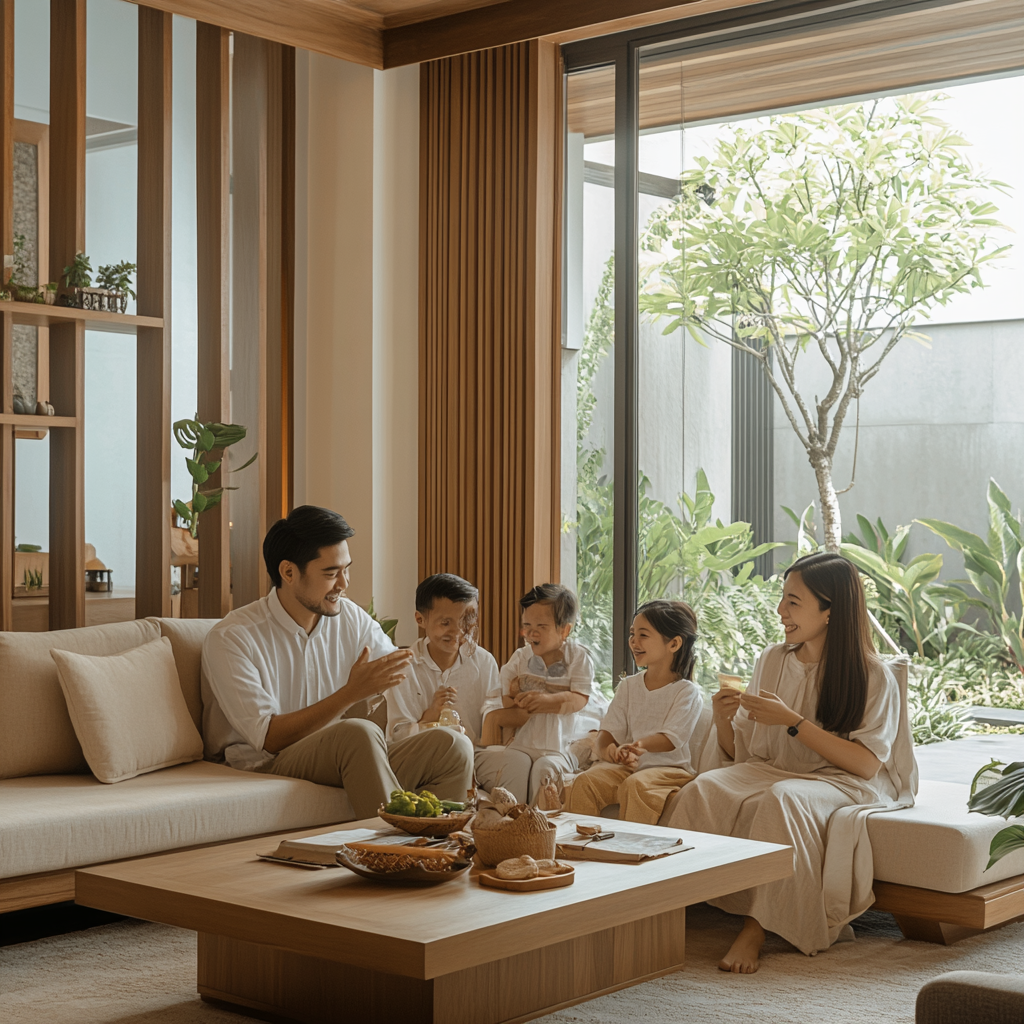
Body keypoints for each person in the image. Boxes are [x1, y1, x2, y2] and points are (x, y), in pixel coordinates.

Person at [665, 552, 916, 973]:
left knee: (784, 798)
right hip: (771, 767)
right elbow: (742, 750)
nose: (781, 610)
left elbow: (867, 765)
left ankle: (757, 926)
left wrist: (794, 722)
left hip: (842, 781)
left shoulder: (874, 674)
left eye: (793, 601)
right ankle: (666, 903)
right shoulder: (773, 659)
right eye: (783, 598)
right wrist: (725, 718)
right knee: (704, 788)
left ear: (830, 609)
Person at [201, 505, 475, 820]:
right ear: (289, 572)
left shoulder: (350, 618)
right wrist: (352, 692)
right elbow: (268, 738)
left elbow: (397, 669)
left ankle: (432, 850)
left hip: (339, 756)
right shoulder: (232, 637)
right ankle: (389, 854)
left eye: (346, 569)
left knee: (452, 745)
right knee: (357, 733)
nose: (344, 584)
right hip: (265, 761)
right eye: (331, 573)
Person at [565, 600, 703, 824]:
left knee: (635, 785)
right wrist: (611, 752)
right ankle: (580, 851)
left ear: (674, 643)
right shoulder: (629, 686)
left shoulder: (687, 692)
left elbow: (671, 739)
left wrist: (637, 747)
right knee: (585, 781)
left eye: (643, 635)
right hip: (630, 769)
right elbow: (607, 734)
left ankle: (631, 853)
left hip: (670, 772)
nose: (634, 642)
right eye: (632, 634)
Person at [385, 573, 508, 790]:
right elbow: (399, 736)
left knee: (517, 762)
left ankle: (515, 822)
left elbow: (492, 719)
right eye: (446, 623)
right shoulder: (403, 666)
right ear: (420, 620)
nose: (458, 631)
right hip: (424, 758)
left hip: (476, 755)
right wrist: (432, 714)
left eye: (466, 621)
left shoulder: (484, 661)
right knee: (454, 746)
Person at [481, 583, 594, 804]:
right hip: (522, 743)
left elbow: (580, 698)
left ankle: (538, 827)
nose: (531, 632)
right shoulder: (520, 658)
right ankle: (514, 821)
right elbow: (506, 699)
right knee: (513, 764)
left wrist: (548, 701)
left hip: (560, 747)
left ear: (565, 630)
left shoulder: (578, 657)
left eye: (541, 626)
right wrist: (516, 702)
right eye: (527, 625)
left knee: (545, 770)